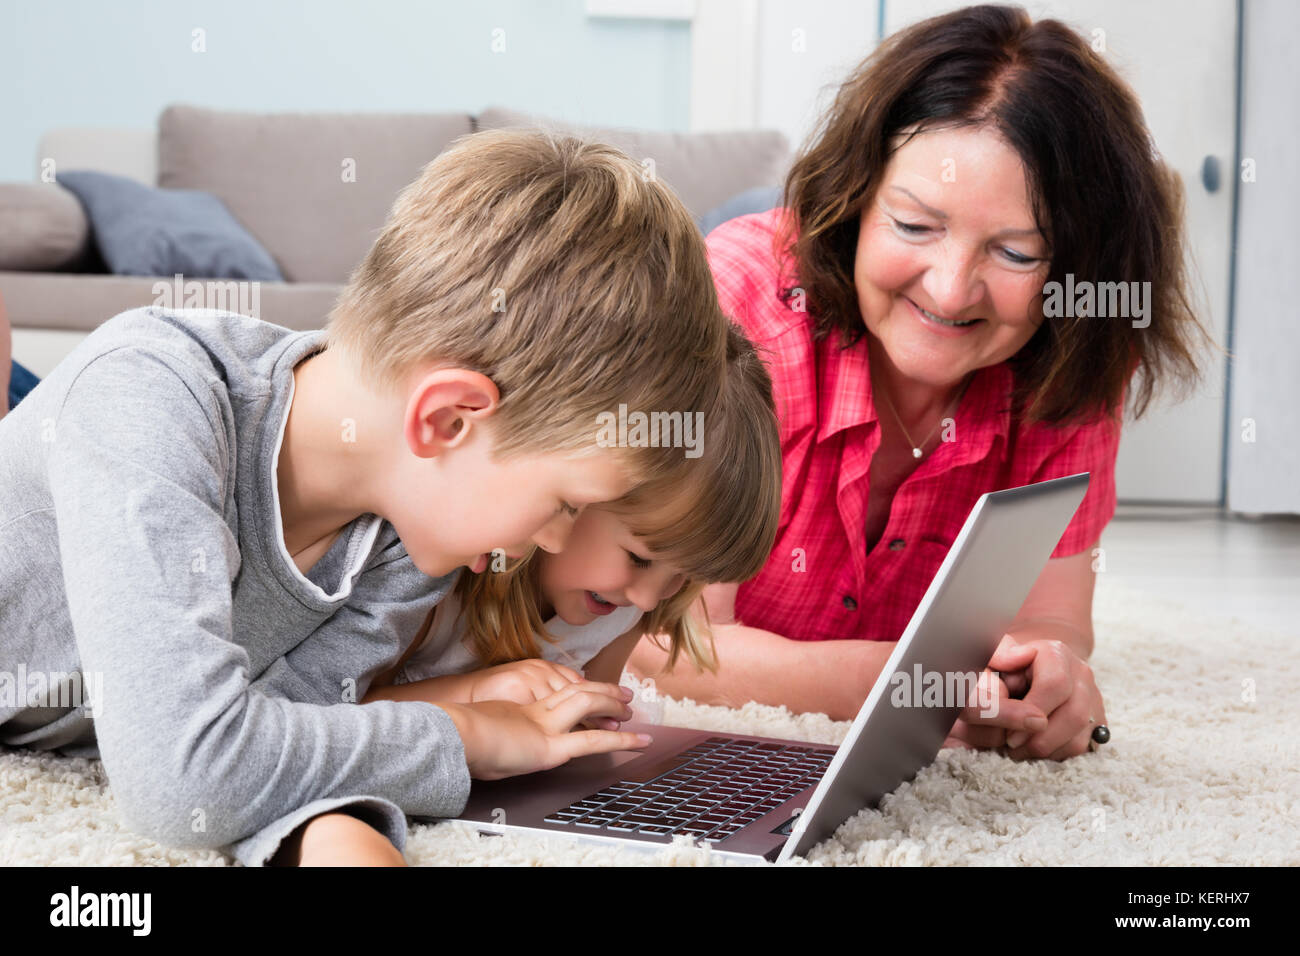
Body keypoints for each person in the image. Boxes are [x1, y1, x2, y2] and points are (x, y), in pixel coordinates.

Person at [0, 127, 737, 866]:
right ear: (448, 418)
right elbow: (186, 770)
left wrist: (331, 830)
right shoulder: (150, 395)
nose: (553, 541)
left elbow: (290, 733)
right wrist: (468, 737)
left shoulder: (409, 540)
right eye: (566, 503)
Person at [628, 3, 1209, 762]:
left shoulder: (1074, 355)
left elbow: (1055, 621)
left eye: (1015, 253)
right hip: (775, 277)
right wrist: (911, 682)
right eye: (913, 225)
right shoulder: (737, 323)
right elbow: (667, 646)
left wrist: (1043, 676)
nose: (950, 288)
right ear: (858, 202)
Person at [363, 321, 781, 719]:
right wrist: (473, 697)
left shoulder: (623, 609)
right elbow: (346, 715)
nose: (649, 599)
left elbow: (588, 745)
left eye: (684, 576)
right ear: (583, 491)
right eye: (639, 559)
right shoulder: (438, 575)